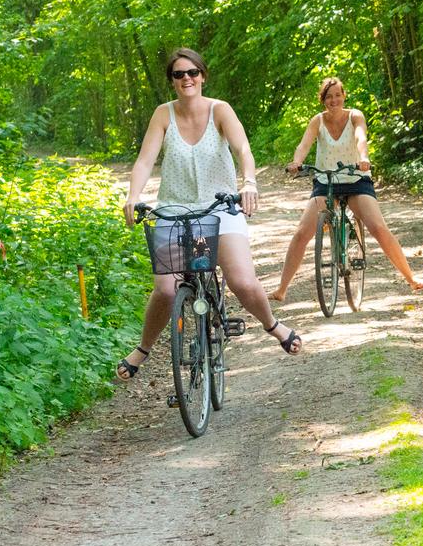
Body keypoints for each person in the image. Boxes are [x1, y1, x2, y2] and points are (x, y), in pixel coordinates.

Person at [117, 48, 301, 380]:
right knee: (166, 290)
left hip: (220, 207)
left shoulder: (220, 110)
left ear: (202, 76)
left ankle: (273, 326)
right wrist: (133, 196)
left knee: (242, 282)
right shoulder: (163, 115)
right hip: (175, 210)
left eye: (192, 73)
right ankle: (143, 349)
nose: (186, 78)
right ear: (172, 81)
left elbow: (242, 148)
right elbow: (145, 161)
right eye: (178, 74)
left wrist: (249, 182)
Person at [269, 76, 423, 301]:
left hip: (356, 179)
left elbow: (360, 137)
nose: (334, 100)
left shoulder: (355, 115)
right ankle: (281, 289)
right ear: (322, 100)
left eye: (337, 95)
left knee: (378, 227)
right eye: (328, 96)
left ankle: (411, 278)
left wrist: (364, 157)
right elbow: (304, 145)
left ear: (344, 96)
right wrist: (296, 162)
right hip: (327, 182)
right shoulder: (318, 121)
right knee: (301, 233)